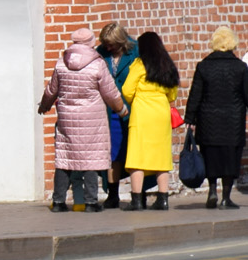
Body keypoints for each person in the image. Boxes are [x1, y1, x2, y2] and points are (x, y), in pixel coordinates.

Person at [38, 27, 125, 212]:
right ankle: (91, 203)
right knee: (90, 159)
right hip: (92, 119)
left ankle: (59, 202)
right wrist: (121, 109)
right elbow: (109, 92)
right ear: (91, 42)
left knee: (64, 159)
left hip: (67, 119)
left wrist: (44, 105)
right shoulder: (97, 63)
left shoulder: (62, 62)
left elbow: (51, 89)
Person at [184, 26, 248, 209]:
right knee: (230, 159)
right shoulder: (240, 67)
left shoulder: (204, 66)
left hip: (208, 121)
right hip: (232, 122)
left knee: (210, 156)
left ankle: (212, 191)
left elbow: (195, 94)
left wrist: (190, 118)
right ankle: (226, 197)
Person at [122, 30, 180, 210]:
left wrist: (135, 101)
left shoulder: (140, 64)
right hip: (161, 114)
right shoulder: (167, 64)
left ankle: (137, 200)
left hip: (142, 113)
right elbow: (172, 93)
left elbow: (126, 89)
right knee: (161, 157)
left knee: (137, 157)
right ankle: (163, 199)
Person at [97, 21, 139, 207]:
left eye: (111, 44)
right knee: (113, 153)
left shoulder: (135, 51)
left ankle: (139, 192)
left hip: (133, 108)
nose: (108, 47)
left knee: (135, 151)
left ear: (120, 41)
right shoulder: (101, 53)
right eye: (106, 43)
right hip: (110, 109)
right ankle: (113, 194)